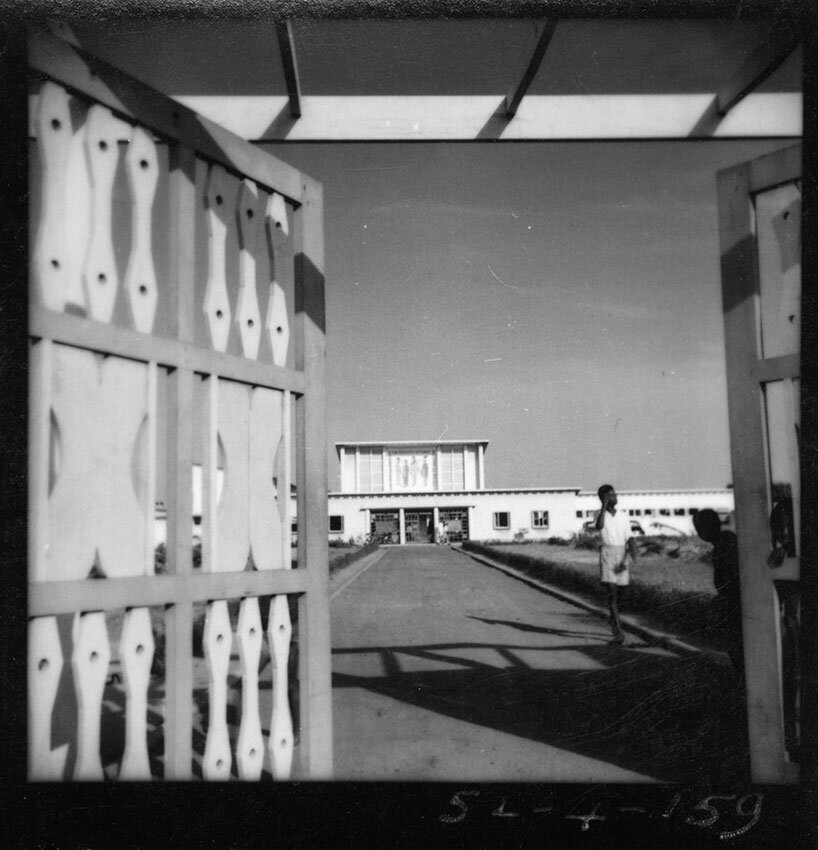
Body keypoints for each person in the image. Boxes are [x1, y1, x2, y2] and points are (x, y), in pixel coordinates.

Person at [693, 508, 744, 681]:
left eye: (700, 528)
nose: (699, 533)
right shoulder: (724, 540)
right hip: (732, 600)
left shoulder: (725, 542)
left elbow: (733, 577)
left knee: (738, 647)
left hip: (735, 601)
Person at [594, 484, 637, 645]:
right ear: (604, 498)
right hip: (607, 553)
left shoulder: (624, 516)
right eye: (610, 495)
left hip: (622, 554)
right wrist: (604, 506)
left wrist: (633, 555)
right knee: (611, 592)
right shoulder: (598, 514)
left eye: (614, 494)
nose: (615, 497)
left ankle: (614, 619)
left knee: (623, 593)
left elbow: (630, 537)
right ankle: (619, 632)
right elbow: (599, 526)